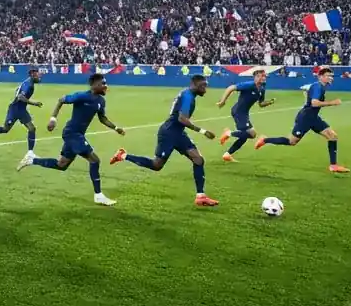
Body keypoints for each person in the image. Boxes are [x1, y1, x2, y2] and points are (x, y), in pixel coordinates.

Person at [110, 75, 219, 207]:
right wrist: (203, 131)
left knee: (198, 159)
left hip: (178, 133)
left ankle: (201, 196)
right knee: (157, 165)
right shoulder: (188, 97)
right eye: (203, 86)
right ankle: (123, 155)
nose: (205, 90)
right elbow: (182, 119)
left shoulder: (187, 93)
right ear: (195, 85)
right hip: (168, 133)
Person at [18, 73, 125, 206]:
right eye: (103, 83)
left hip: (78, 134)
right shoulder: (82, 96)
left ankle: (31, 160)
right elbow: (62, 99)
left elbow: (102, 118)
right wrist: (53, 119)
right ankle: (98, 195)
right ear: (94, 85)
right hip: (72, 134)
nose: (105, 85)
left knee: (61, 165)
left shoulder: (101, 101)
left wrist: (116, 128)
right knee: (95, 160)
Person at [255, 66, 349, 173]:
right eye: (328, 76)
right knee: (292, 142)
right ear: (321, 77)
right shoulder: (318, 86)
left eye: (331, 76)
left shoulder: (319, 86)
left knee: (332, 136)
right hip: (305, 118)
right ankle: (265, 140)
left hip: (313, 118)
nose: (331, 78)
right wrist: (332, 103)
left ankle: (333, 166)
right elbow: (314, 103)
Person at [0, 66, 42, 160]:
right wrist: (34, 103)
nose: (39, 76)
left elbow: (17, 91)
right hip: (15, 110)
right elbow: (20, 97)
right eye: (38, 74)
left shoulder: (27, 83)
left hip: (21, 110)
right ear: (32, 74)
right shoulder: (28, 84)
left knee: (32, 128)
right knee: (5, 129)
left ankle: (30, 153)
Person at [215, 68, 275, 162]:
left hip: (244, 113)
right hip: (238, 112)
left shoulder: (262, 88)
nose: (264, 78)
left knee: (244, 136)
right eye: (261, 76)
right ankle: (228, 133)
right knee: (252, 134)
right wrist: (223, 101)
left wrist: (269, 102)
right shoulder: (249, 85)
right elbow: (231, 88)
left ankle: (227, 155)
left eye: (264, 76)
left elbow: (260, 104)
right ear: (255, 77)